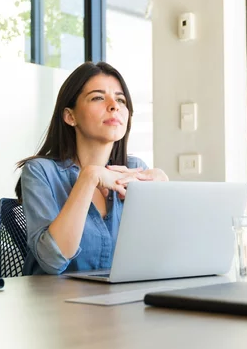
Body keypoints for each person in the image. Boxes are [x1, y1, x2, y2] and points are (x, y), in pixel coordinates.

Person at [17, 61, 168, 278]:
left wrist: (166, 194)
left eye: (120, 99)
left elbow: (159, 256)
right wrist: (90, 177)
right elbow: (52, 261)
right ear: (70, 116)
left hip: (119, 303)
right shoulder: (40, 172)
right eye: (98, 97)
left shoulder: (135, 170)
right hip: (54, 306)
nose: (114, 105)